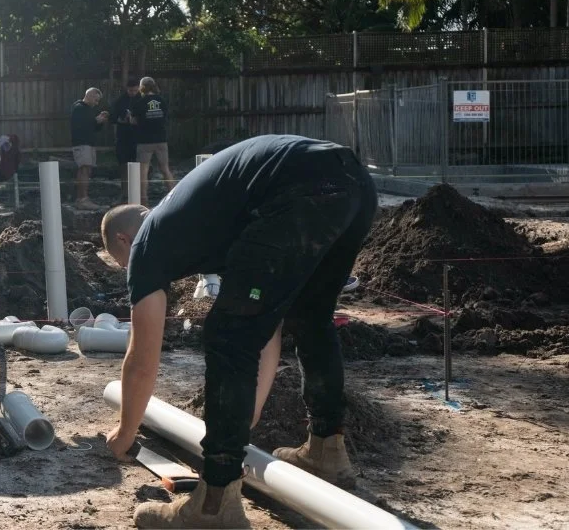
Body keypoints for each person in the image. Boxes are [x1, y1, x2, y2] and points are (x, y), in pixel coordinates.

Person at [100, 135, 377, 528]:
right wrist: (243, 419)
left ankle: (214, 504)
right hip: (353, 184)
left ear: (123, 239)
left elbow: (143, 357)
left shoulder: (146, 243)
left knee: (227, 334)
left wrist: (124, 434)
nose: (130, 272)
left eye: (121, 262)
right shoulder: (211, 219)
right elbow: (266, 327)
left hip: (301, 186)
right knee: (309, 315)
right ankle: (326, 450)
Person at [130, 77, 174, 205]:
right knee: (165, 168)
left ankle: (144, 200)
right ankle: (173, 195)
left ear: (141, 87)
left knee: (143, 171)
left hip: (145, 141)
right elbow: (166, 117)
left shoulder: (139, 102)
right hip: (161, 140)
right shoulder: (162, 100)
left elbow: (133, 121)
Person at [70, 87, 109, 207]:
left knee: (87, 170)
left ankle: (82, 199)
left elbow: (93, 127)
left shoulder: (88, 110)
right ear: (90, 96)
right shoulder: (79, 108)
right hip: (81, 143)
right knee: (84, 169)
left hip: (88, 144)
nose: (97, 103)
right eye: (96, 100)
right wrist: (95, 120)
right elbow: (81, 126)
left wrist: (100, 122)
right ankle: (83, 199)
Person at [110, 79, 141, 169]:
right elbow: (112, 117)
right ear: (127, 89)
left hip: (137, 135)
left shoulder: (142, 99)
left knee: (136, 162)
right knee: (123, 161)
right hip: (123, 135)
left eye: (135, 90)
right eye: (131, 90)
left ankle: (135, 178)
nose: (133, 93)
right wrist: (120, 119)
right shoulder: (120, 100)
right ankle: (124, 177)